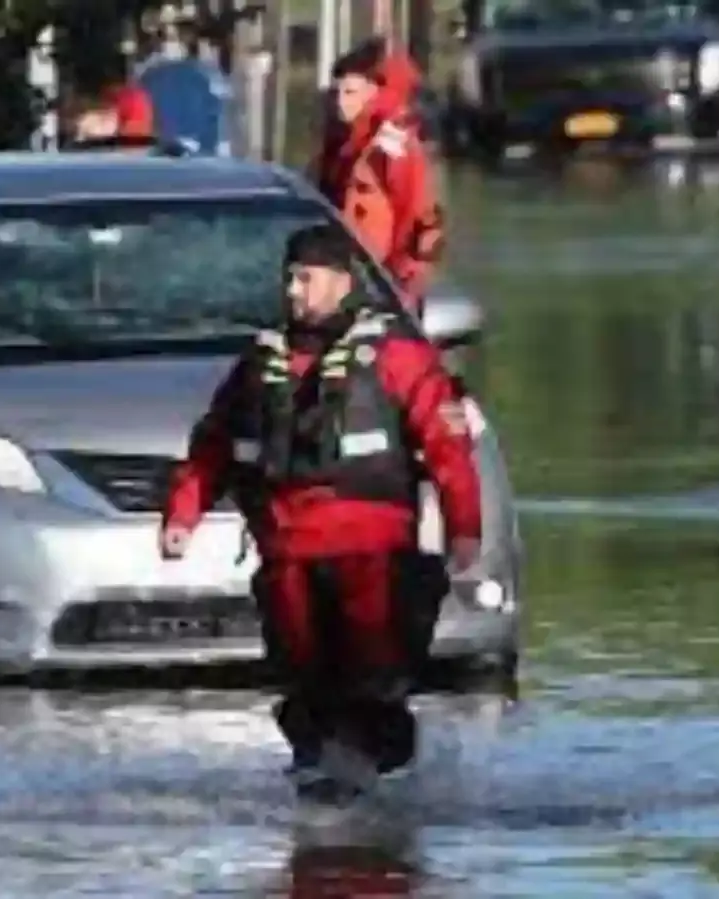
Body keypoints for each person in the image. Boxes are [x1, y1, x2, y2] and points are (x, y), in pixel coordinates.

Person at [159, 224, 482, 801]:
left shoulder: (398, 358)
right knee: (305, 677)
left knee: (373, 675)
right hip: (288, 552)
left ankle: (378, 797)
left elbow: (447, 448)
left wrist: (464, 530)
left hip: (372, 552)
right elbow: (213, 446)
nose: (293, 291)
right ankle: (324, 783)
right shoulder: (260, 365)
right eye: (288, 277)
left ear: (340, 280)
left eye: (305, 278)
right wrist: (182, 517)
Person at [312, 38, 444, 311]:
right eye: (336, 93)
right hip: (344, 282)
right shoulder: (340, 147)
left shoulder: (391, 145)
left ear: (372, 92)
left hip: (384, 286)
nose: (340, 103)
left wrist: (406, 284)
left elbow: (421, 215)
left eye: (349, 93)